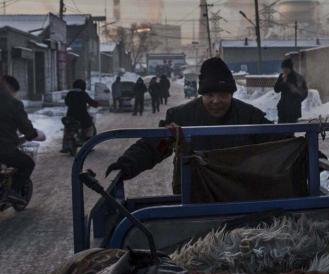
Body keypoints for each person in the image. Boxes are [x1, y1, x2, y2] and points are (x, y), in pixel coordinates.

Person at [107, 57, 275, 193]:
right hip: (194, 200)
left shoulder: (251, 117)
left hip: (239, 198)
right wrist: (126, 165)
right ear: (201, 94)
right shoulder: (181, 117)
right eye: (209, 94)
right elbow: (154, 146)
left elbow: (280, 143)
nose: (216, 101)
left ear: (231, 93)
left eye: (223, 94)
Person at [0, 75, 45, 193]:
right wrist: (32, 134)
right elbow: (25, 126)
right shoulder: (14, 104)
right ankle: (14, 191)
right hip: (4, 150)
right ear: (12, 89)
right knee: (28, 164)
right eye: (14, 92)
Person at [62, 79, 98, 152]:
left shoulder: (70, 93)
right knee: (89, 128)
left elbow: (66, 102)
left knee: (67, 128)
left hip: (70, 116)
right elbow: (91, 102)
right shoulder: (83, 93)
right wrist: (97, 104)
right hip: (82, 116)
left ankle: (66, 145)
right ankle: (88, 145)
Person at [273, 58, 308, 124]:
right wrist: (283, 82)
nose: (284, 70)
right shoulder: (282, 76)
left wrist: (296, 101)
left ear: (290, 68)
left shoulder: (298, 77)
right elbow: (276, 89)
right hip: (282, 109)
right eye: (283, 68)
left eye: (286, 68)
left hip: (293, 110)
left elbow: (305, 93)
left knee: (290, 131)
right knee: (280, 130)